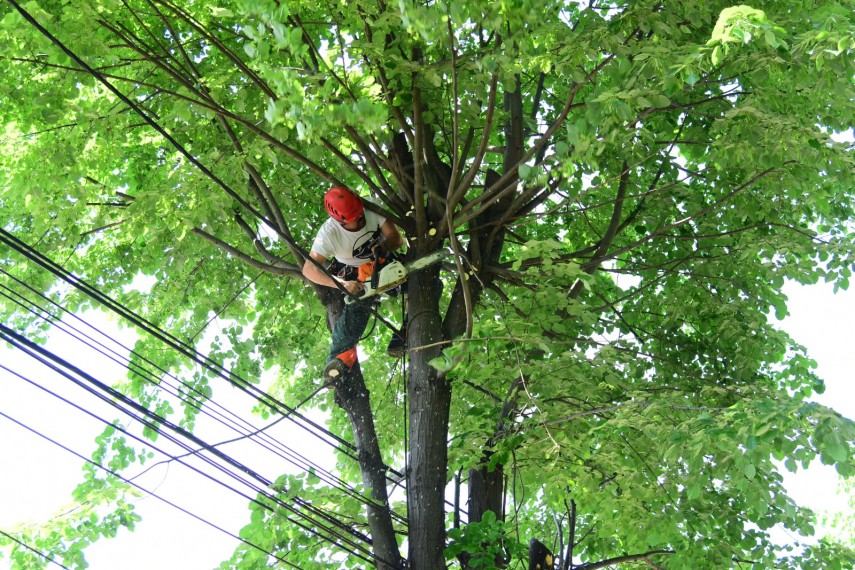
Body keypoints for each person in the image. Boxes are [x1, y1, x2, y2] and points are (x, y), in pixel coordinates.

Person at [302, 186, 405, 381]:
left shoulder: (371, 206)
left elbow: (396, 238)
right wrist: (342, 284)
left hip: (384, 262)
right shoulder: (329, 233)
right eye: (355, 220)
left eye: (360, 215)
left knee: (422, 282)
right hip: (354, 274)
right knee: (356, 308)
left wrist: (384, 247)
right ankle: (339, 359)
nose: (361, 220)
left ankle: (405, 334)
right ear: (339, 220)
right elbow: (309, 269)